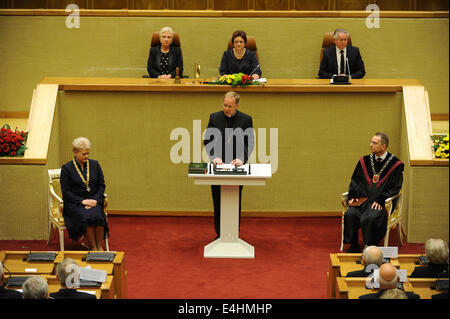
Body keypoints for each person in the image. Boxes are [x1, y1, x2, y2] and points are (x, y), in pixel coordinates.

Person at [204, 91, 255, 238]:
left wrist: (241, 158)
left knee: (235, 199)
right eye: (225, 105)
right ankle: (219, 233)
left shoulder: (246, 119)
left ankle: (234, 232)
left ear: (237, 106)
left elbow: (249, 143)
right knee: (217, 199)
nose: (226, 109)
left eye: (230, 106)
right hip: (218, 164)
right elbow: (208, 141)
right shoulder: (214, 117)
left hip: (236, 166)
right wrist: (214, 157)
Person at [343, 132, 404, 253]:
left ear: (384, 146)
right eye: (371, 142)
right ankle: (354, 244)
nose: (370, 145)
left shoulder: (396, 165)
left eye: (374, 143)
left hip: (380, 202)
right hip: (363, 200)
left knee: (370, 218)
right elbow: (355, 180)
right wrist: (354, 195)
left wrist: (381, 199)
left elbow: (396, 187)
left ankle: (369, 245)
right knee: (350, 214)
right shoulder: (364, 161)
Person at [60, 137, 108, 251]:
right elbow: (66, 192)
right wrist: (82, 201)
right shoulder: (67, 168)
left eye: (88, 153)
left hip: (94, 200)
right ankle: (93, 247)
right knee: (86, 216)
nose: (86, 156)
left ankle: (99, 247)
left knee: (98, 215)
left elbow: (102, 185)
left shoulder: (95, 164)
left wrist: (95, 200)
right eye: (83, 154)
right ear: (75, 152)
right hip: (75, 203)